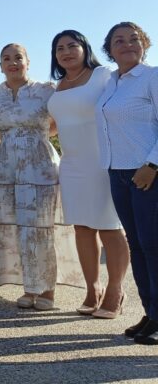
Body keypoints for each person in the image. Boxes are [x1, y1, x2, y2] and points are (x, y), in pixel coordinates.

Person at [0, 43, 82, 311]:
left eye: (18, 57)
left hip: (40, 165)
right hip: (7, 168)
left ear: (28, 62)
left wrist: (36, 134)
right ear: (0, 66)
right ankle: (29, 288)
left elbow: (58, 123)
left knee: (42, 227)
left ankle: (47, 289)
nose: (13, 62)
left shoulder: (46, 90)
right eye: (6, 58)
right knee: (19, 228)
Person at [47, 30, 128, 317]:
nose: (66, 52)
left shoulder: (103, 75)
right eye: (60, 48)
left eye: (72, 45)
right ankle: (93, 289)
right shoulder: (56, 87)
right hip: (71, 165)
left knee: (109, 227)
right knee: (82, 228)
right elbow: (55, 125)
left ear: (85, 48)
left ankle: (116, 290)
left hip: (102, 162)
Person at [97, 22, 158, 344]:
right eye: (119, 41)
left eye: (134, 39)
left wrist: (153, 164)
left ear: (144, 43)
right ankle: (150, 313)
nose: (128, 44)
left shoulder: (152, 77)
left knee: (153, 245)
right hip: (117, 173)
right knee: (137, 245)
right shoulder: (111, 83)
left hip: (147, 172)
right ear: (110, 50)